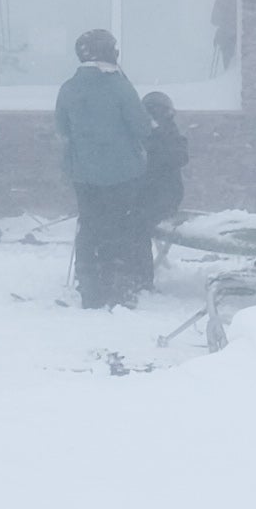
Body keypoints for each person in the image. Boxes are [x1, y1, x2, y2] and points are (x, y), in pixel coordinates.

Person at [55, 25, 153, 308]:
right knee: (119, 227)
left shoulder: (68, 88)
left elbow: (62, 128)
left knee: (89, 225)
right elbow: (142, 127)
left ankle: (89, 286)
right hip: (122, 173)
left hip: (83, 173)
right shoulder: (119, 86)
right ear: (109, 53)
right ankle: (116, 286)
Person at [134, 87, 189, 269]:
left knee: (139, 225)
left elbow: (180, 157)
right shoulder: (138, 135)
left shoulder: (170, 135)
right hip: (141, 196)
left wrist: (158, 140)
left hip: (164, 198)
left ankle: (141, 274)